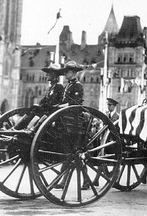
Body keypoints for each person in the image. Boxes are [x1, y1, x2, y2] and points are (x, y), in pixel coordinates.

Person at [53, 61, 85, 190]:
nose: (65, 73)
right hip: (65, 119)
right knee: (68, 154)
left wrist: (59, 107)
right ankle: (62, 181)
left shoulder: (78, 86)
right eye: (65, 71)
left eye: (67, 71)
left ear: (73, 72)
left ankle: (86, 181)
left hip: (73, 121)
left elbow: (75, 103)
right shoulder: (68, 85)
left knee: (74, 154)